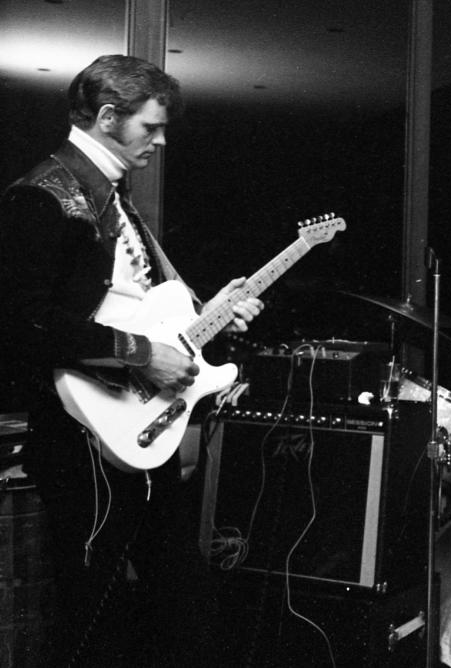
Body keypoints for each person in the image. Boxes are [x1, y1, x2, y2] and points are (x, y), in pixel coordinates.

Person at [0, 55, 264, 666]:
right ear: (108, 116)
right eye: (151, 127)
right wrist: (143, 355)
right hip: (83, 439)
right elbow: (20, 322)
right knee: (94, 615)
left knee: (177, 602)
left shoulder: (111, 198)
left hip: (135, 434)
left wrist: (210, 313)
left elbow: (133, 305)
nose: (162, 141)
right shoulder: (41, 197)